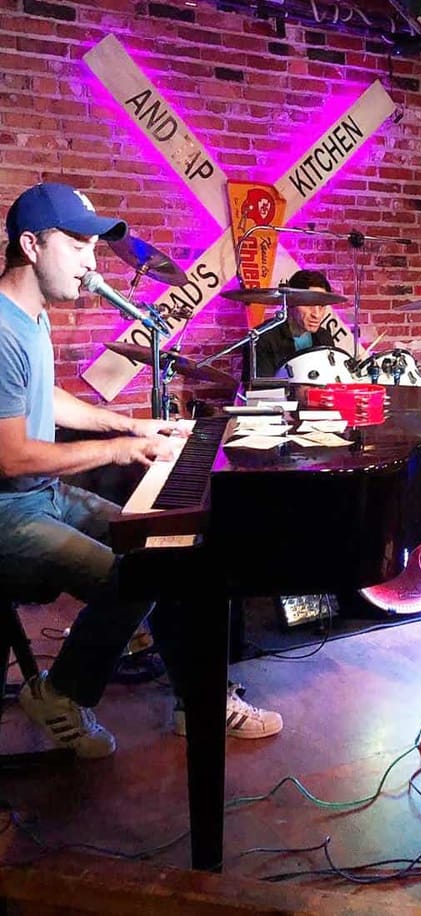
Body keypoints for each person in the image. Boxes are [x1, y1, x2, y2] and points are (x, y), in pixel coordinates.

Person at [0, 182, 281, 758]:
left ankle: (197, 701)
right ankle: (61, 693)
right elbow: (12, 456)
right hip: (8, 515)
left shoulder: (29, 316)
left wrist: (128, 427)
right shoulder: (1, 330)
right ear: (31, 245)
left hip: (41, 497)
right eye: (77, 244)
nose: (90, 261)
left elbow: (44, 399)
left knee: (168, 552)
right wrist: (118, 451)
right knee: (137, 578)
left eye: (93, 247)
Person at [246, 269, 339, 381]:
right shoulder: (263, 338)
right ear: (290, 302)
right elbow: (262, 391)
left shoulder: (324, 336)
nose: (317, 314)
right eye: (309, 304)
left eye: (322, 306)